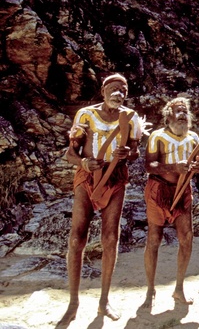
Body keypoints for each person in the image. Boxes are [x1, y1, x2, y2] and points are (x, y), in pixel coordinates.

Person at [59, 73, 143, 325]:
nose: (119, 93)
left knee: (110, 237)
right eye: (114, 88)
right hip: (87, 175)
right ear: (104, 90)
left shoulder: (131, 118)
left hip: (115, 176)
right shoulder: (86, 115)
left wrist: (128, 153)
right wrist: (84, 161)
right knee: (77, 236)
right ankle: (73, 302)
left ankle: (104, 300)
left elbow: (135, 152)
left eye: (124, 90)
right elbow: (69, 154)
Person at [141, 97, 199, 309]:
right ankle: (151, 289)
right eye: (177, 111)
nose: (181, 115)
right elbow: (149, 165)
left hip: (183, 191)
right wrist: (172, 168)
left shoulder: (194, 137)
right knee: (154, 239)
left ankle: (178, 288)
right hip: (158, 190)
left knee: (187, 237)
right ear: (168, 116)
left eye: (184, 111)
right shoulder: (157, 136)